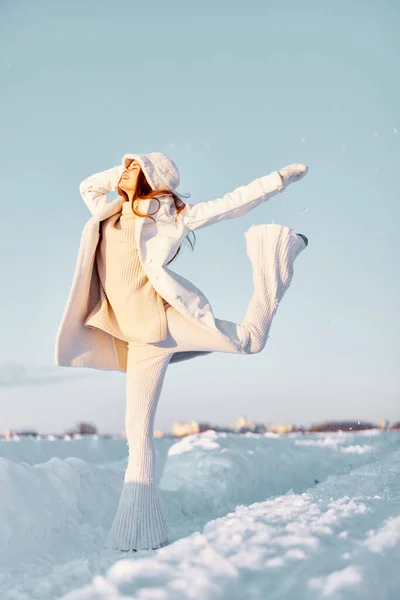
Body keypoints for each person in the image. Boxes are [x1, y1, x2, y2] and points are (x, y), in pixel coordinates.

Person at [55, 152, 309, 552]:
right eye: (125, 167)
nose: (124, 173)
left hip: (166, 324)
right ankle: (138, 533)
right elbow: (88, 183)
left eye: (134, 168)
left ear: (151, 176)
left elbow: (231, 203)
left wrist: (278, 179)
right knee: (137, 434)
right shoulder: (107, 210)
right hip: (138, 343)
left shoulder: (169, 218)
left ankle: (276, 252)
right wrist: (124, 170)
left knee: (250, 341)